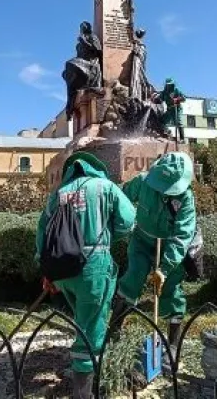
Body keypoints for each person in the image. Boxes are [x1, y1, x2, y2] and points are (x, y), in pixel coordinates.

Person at [35, 152, 135, 399]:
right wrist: (108, 231)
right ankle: (84, 392)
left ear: (71, 170)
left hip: (62, 271)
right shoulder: (105, 187)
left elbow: (42, 233)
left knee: (82, 321)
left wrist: (47, 271)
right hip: (93, 268)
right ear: (97, 169)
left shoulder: (58, 194)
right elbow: (128, 221)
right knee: (92, 330)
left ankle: (81, 367)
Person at [111, 152, 197, 367]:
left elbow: (183, 235)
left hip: (169, 245)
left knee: (171, 291)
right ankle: (113, 332)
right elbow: (123, 200)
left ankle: (174, 345)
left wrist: (164, 269)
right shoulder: (142, 182)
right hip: (141, 240)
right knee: (132, 278)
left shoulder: (185, 198)